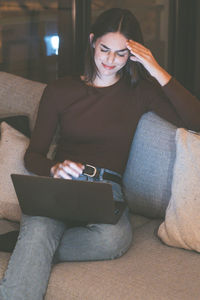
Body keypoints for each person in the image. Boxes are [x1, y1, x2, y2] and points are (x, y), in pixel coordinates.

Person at [0, 7, 200, 300]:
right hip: (60, 185)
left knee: (113, 240)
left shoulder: (139, 92)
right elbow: (34, 156)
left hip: (107, 189)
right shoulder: (60, 90)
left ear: (133, 54)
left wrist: (155, 68)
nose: (110, 60)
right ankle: (32, 243)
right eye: (105, 49)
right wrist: (54, 169)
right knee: (41, 229)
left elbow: (196, 121)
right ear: (93, 40)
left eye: (121, 54)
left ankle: (26, 245)